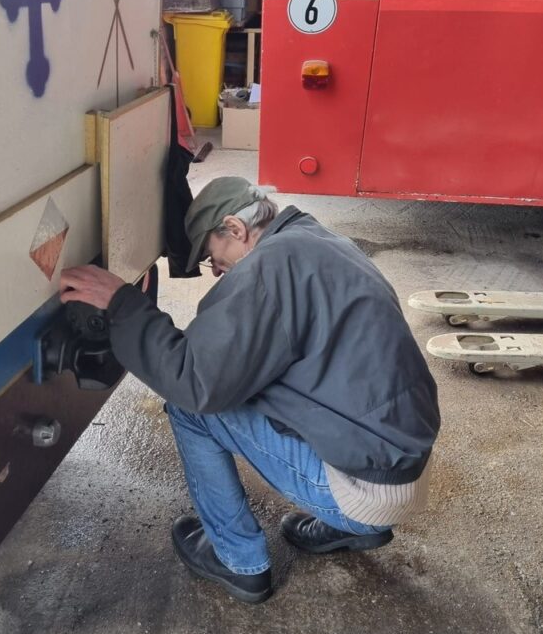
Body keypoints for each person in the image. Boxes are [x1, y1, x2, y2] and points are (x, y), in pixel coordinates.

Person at [60, 177, 440, 605]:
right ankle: (351, 527)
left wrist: (121, 304)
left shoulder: (269, 269)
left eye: (212, 258)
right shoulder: (319, 240)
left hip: (366, 489)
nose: (216, 272)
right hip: (405, 468)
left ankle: (238, 560)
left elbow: (193, 379)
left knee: (191, 409)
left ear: (235, 230)